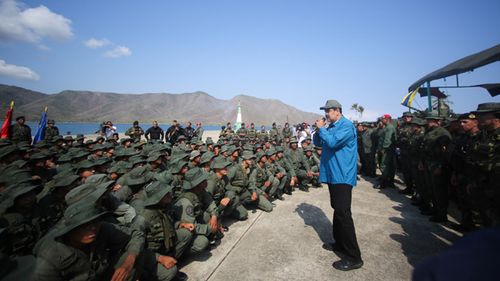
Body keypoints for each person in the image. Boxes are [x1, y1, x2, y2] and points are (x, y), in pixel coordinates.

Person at [313, 99, 363, 271]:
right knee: (337, 209)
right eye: (325, 111)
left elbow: (333, 143)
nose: (326, 114)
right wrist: (319, 130)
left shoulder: (346, 126)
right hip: (333, 174)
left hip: (342, 175)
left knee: (343, 213)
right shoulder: (331, 127)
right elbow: (318, 143)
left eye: (329, 110)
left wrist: (322, 129)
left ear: (337, 111)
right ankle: (340, 243)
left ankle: (354, 256)